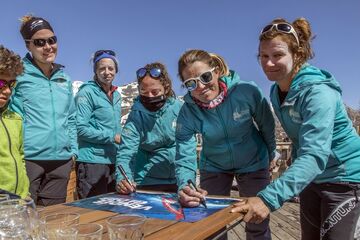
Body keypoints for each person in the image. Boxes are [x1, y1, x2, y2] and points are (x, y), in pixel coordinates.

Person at [232, 18, 360, 239]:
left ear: (297, 54)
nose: (269, 63)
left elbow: (315, 153)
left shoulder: (318, 93)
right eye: (264, 56)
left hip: (344, 179)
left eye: (277, 55)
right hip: (311, 178)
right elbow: (300, 137)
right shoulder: (276, 92)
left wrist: (267, 198)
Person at [175, 49, 276, 239]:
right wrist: (186, 185)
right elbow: (184, 154)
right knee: (211, 223)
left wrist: (271, 153)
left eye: (205, 77)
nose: (201, 87)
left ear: (216, 71)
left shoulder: (247, 91)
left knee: (257, 221)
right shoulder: (188, 112)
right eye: (191, 83)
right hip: (214, 165)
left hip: (254, 161)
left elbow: (266, 125)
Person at [10, 15, 77, 206]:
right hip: (29, 159)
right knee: (24, 216)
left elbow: (71, 116)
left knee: (54, 218)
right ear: (28, 46)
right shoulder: (18, 75)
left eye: (52, 40)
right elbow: (13, 116)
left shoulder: (64, 78)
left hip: (61, 161)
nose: (48, 47)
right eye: (39, 42)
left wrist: (73, 149)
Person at [116, 62, 185, 194]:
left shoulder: (179, 109)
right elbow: (126, 151)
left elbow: (187, 147)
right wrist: (122, 179)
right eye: (144, 91)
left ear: (166, 87)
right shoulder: (136, 116)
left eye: (155, 92)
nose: (149, 96)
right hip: (146, 181)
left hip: (178, 179)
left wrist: (187, 180)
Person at [75, 50, 122, 198]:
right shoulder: (87, 92)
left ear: (116, 70)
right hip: (92, 162)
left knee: (112, 207)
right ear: (95, 70)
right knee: (91, 209)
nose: (107, 72)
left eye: (111, 68)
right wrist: (112, 137)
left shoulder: (117, 95)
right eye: (102, 68)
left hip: (112, 160)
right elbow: (80, 128)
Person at [0, 45, 29, 199]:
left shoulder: (14, 119)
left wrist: (26, 193)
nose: (8, 91)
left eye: (11, 84)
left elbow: (20, 159)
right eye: (1, 84)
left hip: (18, 205)